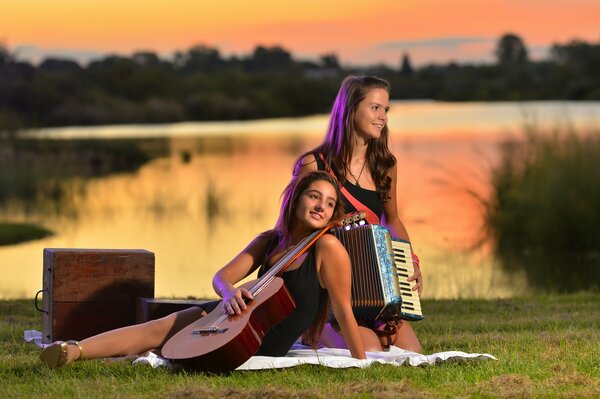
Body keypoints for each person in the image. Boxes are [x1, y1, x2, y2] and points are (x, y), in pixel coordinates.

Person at [40, 171, 367, 368]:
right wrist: (229, 293)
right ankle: (74, 350)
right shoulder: (270, 240)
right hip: (236, 315)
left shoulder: (328, 249)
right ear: (295, 201)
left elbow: (344, 311)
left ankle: (98, 352)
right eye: (313, 196)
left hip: (257, 339)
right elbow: (221, 277)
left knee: (174, 344)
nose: (320, 207)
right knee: (161, 327)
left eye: (328, 203)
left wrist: (360, 364)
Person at [293, 75, 423, 353]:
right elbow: (292, 231)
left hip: (372, 291)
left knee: (412, 353)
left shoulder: (384, 166)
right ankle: (312, 329)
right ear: (350, 109)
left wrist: (409, 262)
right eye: (375, 108)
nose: (382, 118)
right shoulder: (313, 164)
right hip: (327, 292)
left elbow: (392, 219)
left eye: (386, 110)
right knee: (372, 350)